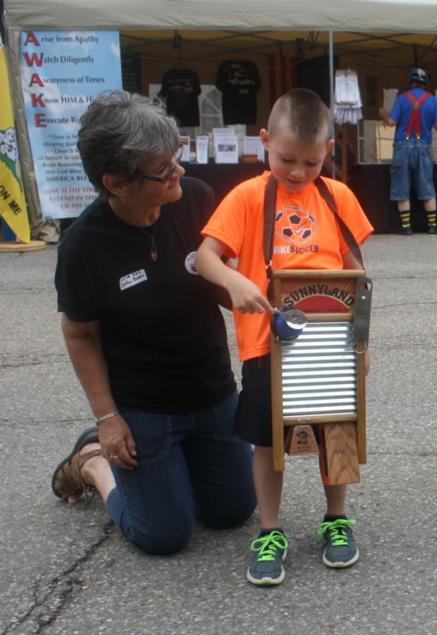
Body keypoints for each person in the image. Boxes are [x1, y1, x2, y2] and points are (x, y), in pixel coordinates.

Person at [51, 90, 256, 556]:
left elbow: (227, 286)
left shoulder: (198, 199)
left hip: (212, 392)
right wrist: (108, 418)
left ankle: (177, 468)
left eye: (176, 158)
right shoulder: (84, 246)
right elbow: (80, 333)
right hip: (144, 409)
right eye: (163, 171)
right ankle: (93, 465)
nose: (177, 173)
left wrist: (263, 300)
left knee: (231, 512)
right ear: (117, 183)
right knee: (163, 536)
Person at [195, 88, 374, 587]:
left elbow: (359, 274)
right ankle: (269, 531)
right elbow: (207, 256)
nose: (297, 172)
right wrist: (234, 281)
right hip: (266, 344)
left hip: (331, 344)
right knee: (266, 440)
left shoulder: (338, 198)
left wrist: (363, 342)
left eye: (311, 162)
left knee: (334, 428)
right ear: (264, 142)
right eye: (286, 159)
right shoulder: (248, 196)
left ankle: (336, 519)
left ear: (329, 151)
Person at [380, 66, 437, 235]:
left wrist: (383, 114)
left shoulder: (401, 99)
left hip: (402, 147)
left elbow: (391, 123)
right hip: (423, 146)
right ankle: (432, 226)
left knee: (402, 186)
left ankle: (406, 228)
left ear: (411, 82)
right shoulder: (433, 101)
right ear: (425, 83)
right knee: (427, 186)